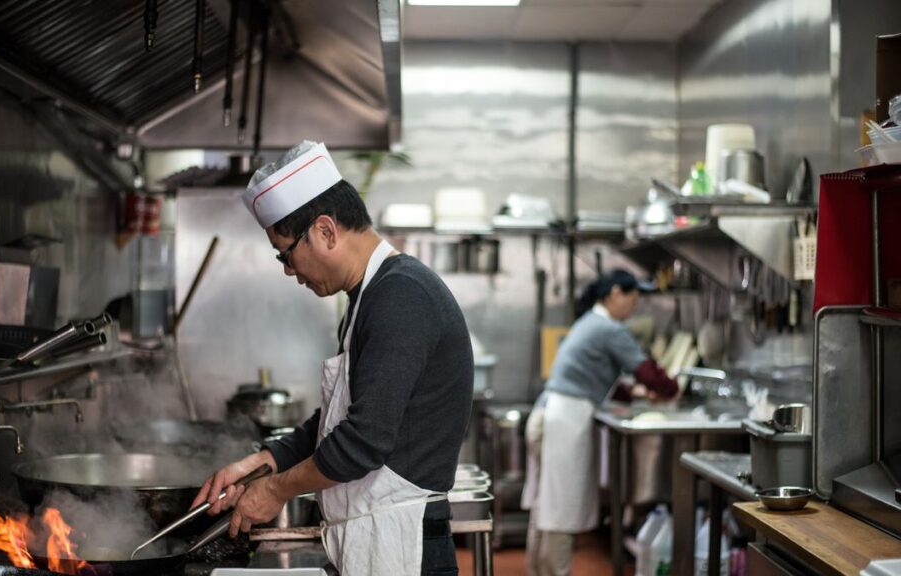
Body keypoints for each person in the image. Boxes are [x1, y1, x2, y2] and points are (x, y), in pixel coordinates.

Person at [192, 140, 474, 576]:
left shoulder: (401, 296)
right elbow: (338, 421)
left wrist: (275, 491)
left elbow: (362, 442)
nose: (289, 270)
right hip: (377, 537)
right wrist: (263, 461)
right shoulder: (367, 296)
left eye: (286, 253)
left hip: (405, 546)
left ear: (325, 230)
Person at [522, 269, 679, 576]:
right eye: (632, 300)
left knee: (546, 506)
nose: (633, 308)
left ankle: (538, 572)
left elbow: (606, 379)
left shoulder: (590, 323)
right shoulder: (609, 329)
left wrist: (638, 392)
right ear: (616, 294)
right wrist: (673, 388)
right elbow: (647, 371)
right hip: (564, 421)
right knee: (560, 510)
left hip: (549, 415)